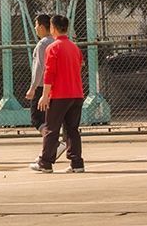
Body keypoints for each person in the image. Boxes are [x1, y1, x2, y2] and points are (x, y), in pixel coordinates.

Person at [30, 15, 85, 173]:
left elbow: (50, 73)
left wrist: (45, 95)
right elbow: (79, 66)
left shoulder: (52, 48)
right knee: (72, 129)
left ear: (53, 28)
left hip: (60, 95)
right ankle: (77, 163)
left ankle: (45, 162)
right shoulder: (75, 47)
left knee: (51, 129)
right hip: (76, 94)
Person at [25, 14, 66, 160]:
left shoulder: (42, 44)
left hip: (43, 87)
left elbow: (39, 68)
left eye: (36, 25)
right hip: (57, 87)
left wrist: (33, 87)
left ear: (42, 27)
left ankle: (54, 145)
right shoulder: (57, 41)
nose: (35, 28)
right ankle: (49, 151)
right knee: (50, 121)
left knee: (36, 119)